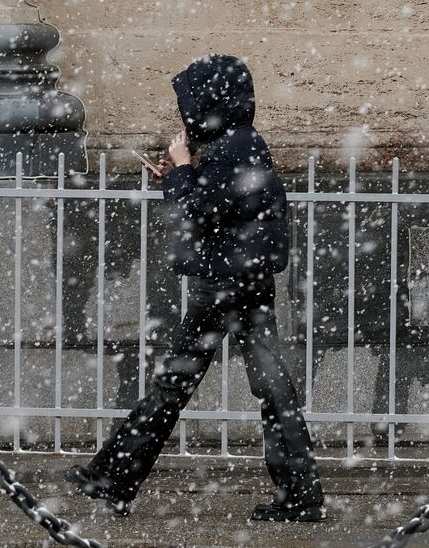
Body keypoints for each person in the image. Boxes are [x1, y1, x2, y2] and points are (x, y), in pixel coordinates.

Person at [65, 54, 326, 522]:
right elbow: (216, 203)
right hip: (241, 281)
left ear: (209, 104)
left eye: (190, 104)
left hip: (227, 285)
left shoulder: (234, 150)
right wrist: (179, 176)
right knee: (265, 386)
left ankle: (116, 478)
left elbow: (200, 212)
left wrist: (182, 169)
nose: (185, 116)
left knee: (179, 385)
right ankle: (301, 493)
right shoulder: (239, 145)